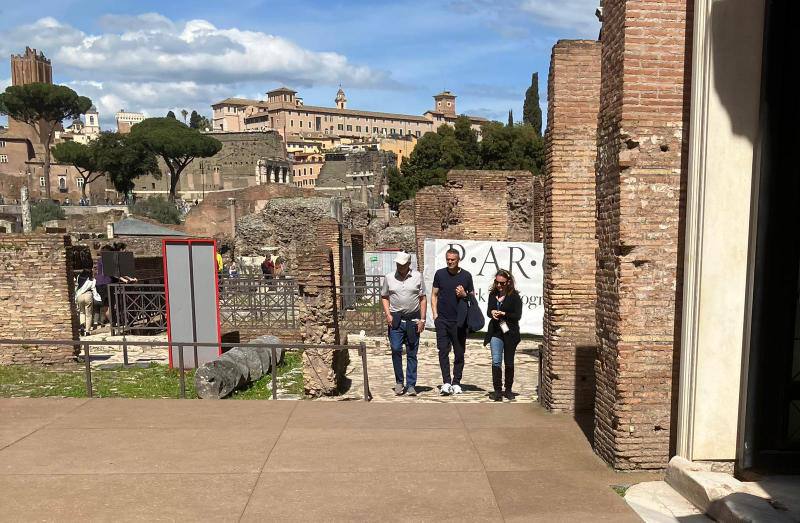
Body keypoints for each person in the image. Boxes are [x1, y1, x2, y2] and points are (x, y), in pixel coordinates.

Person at [380, 251, 426, 396]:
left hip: (413, 319)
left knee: (412, 352)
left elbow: (423, 298)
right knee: (395, 349)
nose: (400, 267)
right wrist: (388, 314)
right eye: (398, 264)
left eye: (403, 264)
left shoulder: (418, 276)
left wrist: (423, 319)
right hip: (396, 319)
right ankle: (399, 381)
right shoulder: (389, 277)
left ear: (408, 264)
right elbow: (385, 296)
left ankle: (411, 384)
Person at [431, 248, 474, 396]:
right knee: (443, 351)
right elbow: (434, 295)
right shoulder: (440, 274)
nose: (450, 262)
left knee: (459, 353)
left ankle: (456, 382)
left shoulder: (466, 276)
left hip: (459, 321)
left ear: (458, 260)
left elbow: (472, 298)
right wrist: (435, 315)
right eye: (448, 259)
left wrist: (464, 294)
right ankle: (446, 382)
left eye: (452, 260)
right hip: (442, 320)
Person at [484, 269, 523, 401]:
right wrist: (493, 312)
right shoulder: (492, 295)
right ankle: (497, 391)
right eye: (497, 282)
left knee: (509, 361)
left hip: (510, 332)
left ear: (508, 282)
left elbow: (517, 315)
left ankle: (508, 390)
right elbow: (488, 311)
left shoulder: (514, 297)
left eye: (502, 283)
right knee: (496, 360)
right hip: (496, 331)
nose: (499, 285)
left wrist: (504, 314)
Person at [75, 268, 101, 335]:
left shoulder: (78, 277)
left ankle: (82, 325)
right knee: (88, 314)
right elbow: (93, 289)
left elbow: (77, 285)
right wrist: (97, 297)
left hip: (79, 296)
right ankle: (87, 331)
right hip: (88, 295)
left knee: (81, 312)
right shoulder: (92, 280)